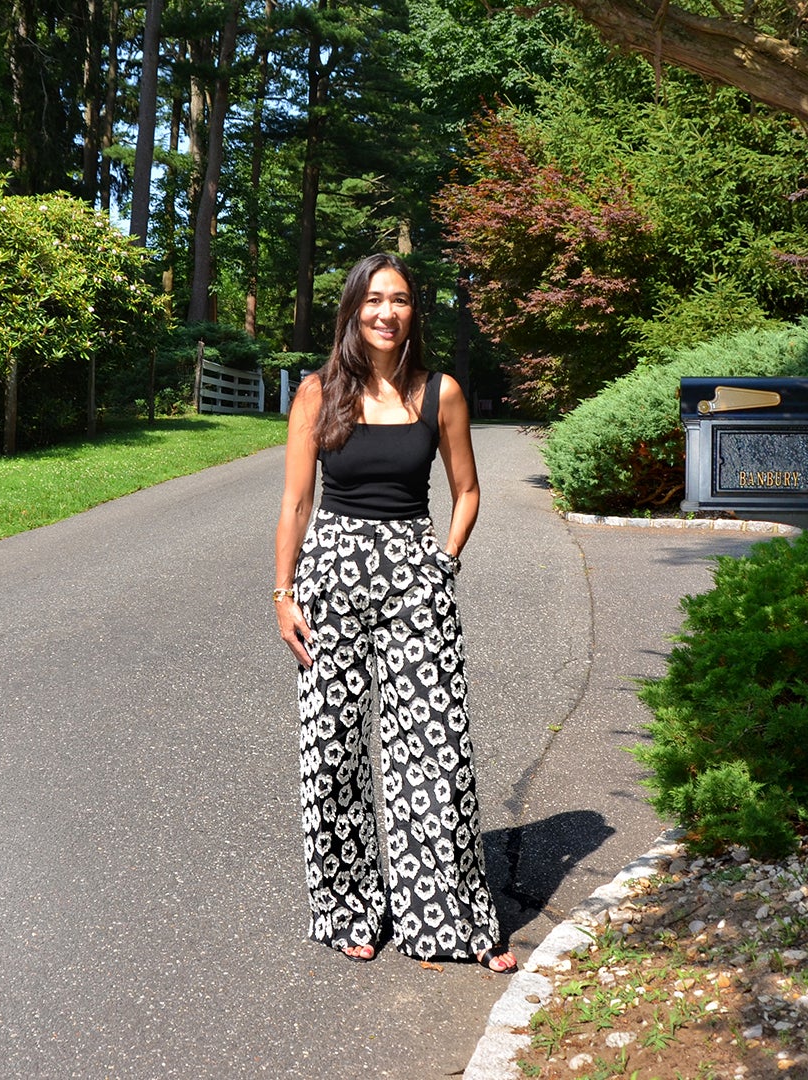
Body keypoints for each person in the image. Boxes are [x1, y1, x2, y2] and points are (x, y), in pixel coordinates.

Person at [272, 252, 515, 972]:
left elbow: (467, 491)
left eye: (400, 300)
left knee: (434, 749)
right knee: (334, 749)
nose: (386, 312)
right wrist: (283, 594)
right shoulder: (318, 394)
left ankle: (446, 921)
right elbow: (294, 502)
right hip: (331, 578)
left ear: (415, 312)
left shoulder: (440, 393)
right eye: (374, 299)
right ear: (352, 309)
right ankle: (350, 909)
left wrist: (443, 560)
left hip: (416, 576)